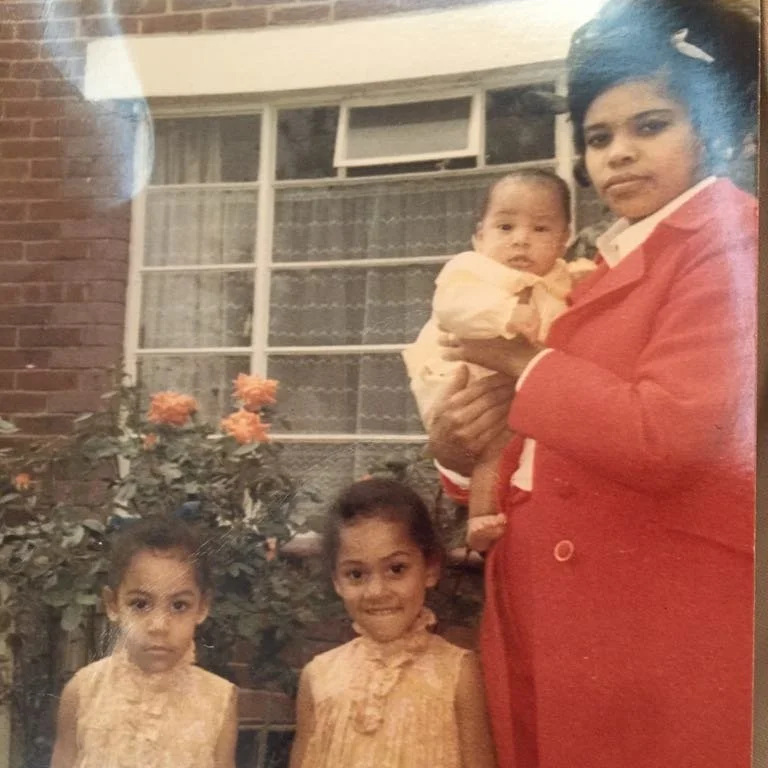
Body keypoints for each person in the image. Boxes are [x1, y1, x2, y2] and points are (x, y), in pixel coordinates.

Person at [429, 1, 758, 766]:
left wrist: (516, 362)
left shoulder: (729, 242)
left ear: (711, 126)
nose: (618, 155)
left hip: (658, 619)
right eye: (598, 137)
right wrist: (459, 447)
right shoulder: (600, 258)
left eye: (651, 126)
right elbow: (553, 436)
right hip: (559, 610)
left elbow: (663, 436)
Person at [403, 170, 594, 553]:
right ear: (479, 237)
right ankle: (479, 515)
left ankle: (486, 519)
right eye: (505, 226)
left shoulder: (563, 278)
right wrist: (506, 314)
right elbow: (453, 308)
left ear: (564, 238)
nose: (521, 239)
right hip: (458, 376)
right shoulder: (472, 271)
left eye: (541, 229)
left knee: (510, 440)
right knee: (492, 438)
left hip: (516, 386)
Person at [289, 478, 496, 768]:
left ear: (430, 569)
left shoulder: (458, 673)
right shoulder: (319, 676)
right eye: (356, 575)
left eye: (396, 569)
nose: (377, 592)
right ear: (336, 580)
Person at [50, 515, 238, 768]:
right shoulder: (82, 692)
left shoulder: (219, 701)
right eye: (140, 604)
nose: (158, 626)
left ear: (202, 607)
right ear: (113, 605)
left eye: (179, 605)